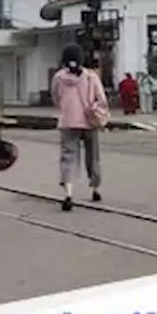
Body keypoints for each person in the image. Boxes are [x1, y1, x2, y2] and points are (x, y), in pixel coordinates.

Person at [52, 44, 108, 210]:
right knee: (93, 156)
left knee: (68, 157)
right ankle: (95, 188)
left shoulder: (58, 78)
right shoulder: (91, 77)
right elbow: (101, 99)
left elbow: (56, 99)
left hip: (68, 122)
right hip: (89, 122)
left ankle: (68, 193)